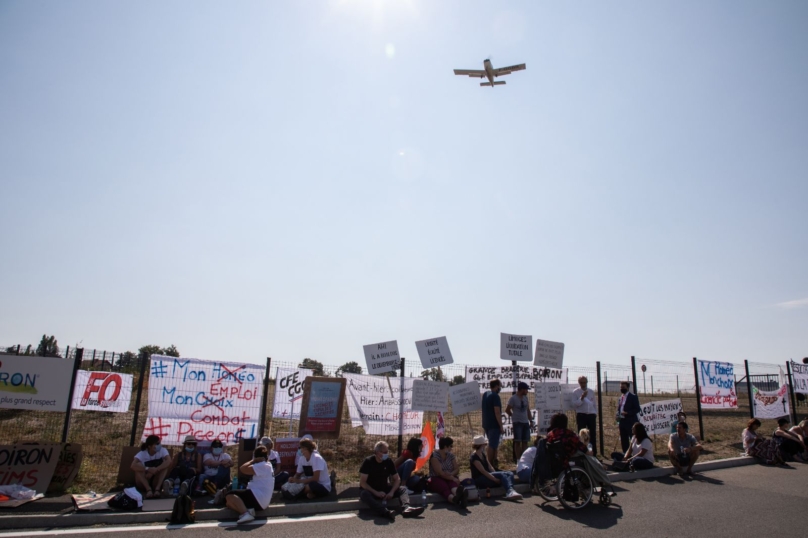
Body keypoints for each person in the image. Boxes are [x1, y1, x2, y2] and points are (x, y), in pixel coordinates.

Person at [359, 441, 425, 521]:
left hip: (384, 488)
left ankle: (406, 508)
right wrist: (376, 492)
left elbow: (397, 479)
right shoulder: (368, 462)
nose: (386, 454)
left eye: (387, 452)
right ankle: (384, 512)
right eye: (384, 452)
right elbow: (363, 483)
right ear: (377, 452)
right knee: (364, 494)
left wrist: (392, 492)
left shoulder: (388, 461)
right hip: (371, 491)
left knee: (402, 489)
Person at [225, 445, 275, 525]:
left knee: (229, 495)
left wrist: (253, 461)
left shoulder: (263, 465)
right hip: (259, 498)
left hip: (258, 497)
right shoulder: (267, 465)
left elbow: (242, 469)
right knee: (229, 503)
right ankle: (248, 511)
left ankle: (245, 514)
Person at [470, 435, 523, 501]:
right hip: (480, 479)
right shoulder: (474, 457)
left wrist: (495, 473)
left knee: (509, 473)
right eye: (484, 444)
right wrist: (495, 479)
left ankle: (510, 490)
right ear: (480, 445)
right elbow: (483, 472)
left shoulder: (482, 454)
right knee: (503, 475)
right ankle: (509, 491)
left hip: (488, 476)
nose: (485, 446)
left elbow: (490, 466)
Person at [428, 437, 465, 508]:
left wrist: (451, 475)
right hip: (436, 478)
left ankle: (458, 494)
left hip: (449, 476)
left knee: (452, 483)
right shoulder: (434, 456)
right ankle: (454, 499)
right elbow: (439, 473)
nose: (451, 448)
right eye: (450, 446)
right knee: (443, 486)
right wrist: (452, 478)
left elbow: (456, 469)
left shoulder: (450, 455)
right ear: (445, 447)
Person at [506, 382, 534, 462]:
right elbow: (507, 410)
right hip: (517, 423)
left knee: (525, 441)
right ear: (521, 389)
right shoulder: (513, 398)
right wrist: (513, 416)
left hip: (525, 422)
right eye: (526, 390)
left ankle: (524, 459)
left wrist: (531, 421)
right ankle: (518, 460)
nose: (527, 392)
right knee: (517, 441)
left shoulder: (525, 398)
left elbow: (527, 410)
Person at [481, 379, 504, 469]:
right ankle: (490, 465)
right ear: (497, 386)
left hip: (486, 423)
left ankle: (494, 463)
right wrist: (501, 426)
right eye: (500, 386)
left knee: (494, 444)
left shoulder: (486, 394)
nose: (500, 388)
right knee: (492, 445)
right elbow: (497, 412)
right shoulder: (495, 396)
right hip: (494, 424)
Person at [573, 376, 598, 456]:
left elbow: (594, 404)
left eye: (584, 382)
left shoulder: (591, 391)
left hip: (591, 415)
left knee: (592, 435)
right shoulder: (576, 392)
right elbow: (575, 404)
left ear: (587, 382)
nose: (583, 384)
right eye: (581, 383)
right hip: (581, 415)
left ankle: (593, 453)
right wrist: (582, 397)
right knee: (582, 435)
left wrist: (595, 413)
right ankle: (583, 453)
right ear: (579, 383)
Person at [616, 381, 641, 454]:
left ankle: (635, 453)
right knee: (623, 439)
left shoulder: (633, 397)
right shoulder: (621, 398)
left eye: (623, 387)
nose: (622, 389)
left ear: (627, 387)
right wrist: (617, 415)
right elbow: (619, 409)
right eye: (621, 387)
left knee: (633, 438)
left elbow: (637, 409)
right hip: (622, 421)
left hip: (630, 421)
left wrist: (628, 413)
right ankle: (625, 454)